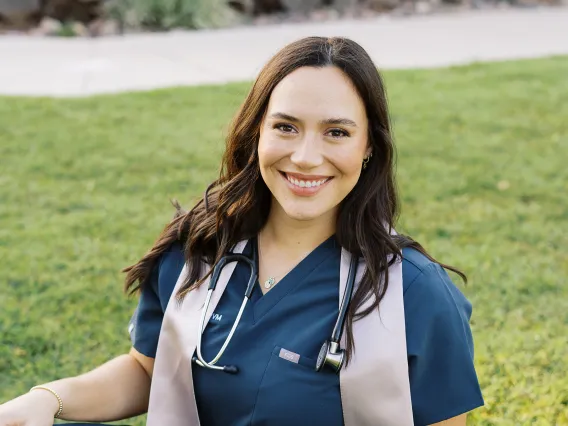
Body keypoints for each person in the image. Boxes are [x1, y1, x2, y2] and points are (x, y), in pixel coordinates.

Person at [0, 36, 484, 426]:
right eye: (286, 127)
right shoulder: (197, 251)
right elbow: (148, 372)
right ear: (257, 134)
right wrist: (48, 399)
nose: (306, 156)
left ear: (368, 148)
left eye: (336, 132)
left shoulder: (414, 294)